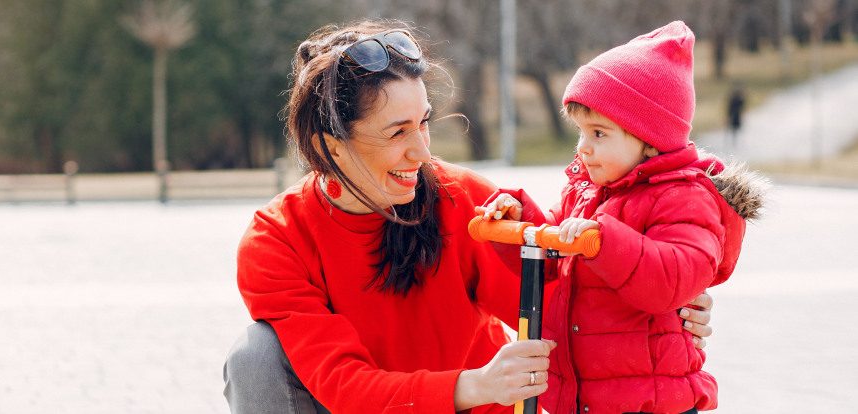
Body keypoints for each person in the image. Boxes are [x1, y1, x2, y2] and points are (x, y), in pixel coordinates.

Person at [223, 20, 715, 413]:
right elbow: (344, 385)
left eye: (424, 124)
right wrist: (474, 385)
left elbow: (562, 299)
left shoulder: (464, 201)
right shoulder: (278, 239)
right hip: (382, 407)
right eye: (397, 133)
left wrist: (658, 306)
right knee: (255, 359)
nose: (421, 151)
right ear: (329, 146)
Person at [480, 21, 765, 414]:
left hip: (649, 400)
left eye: (599, 134)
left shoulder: (682, 197)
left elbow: (676, 278)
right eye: (580, 132)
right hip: (587, 395)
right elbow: (553, 256)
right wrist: (522, 217)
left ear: (650, 140)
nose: (583, 148)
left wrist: (605, 241)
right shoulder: (588, 191)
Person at [726, 82, 746, 148]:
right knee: (734, 128)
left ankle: (735, 140)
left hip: (736, 114)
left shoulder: (738, 98)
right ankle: (734, 140)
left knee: (736, 128)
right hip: (734, 114)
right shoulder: (734, 98)